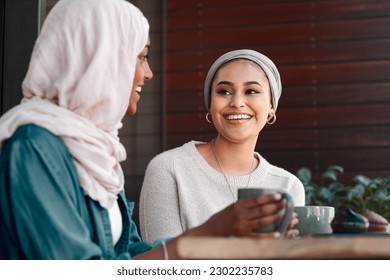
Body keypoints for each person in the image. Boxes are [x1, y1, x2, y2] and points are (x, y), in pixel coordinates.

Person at [0, 0, 296, 260]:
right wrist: (208, 234)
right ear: (101, 60)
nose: (148, 73)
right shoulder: (33, 149)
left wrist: (227, 243)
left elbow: (128, 254)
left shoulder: (95, 153)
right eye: (140, 57)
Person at [139, 49, 305, 244]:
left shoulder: (288, 186)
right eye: (224, 91)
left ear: (271, 107)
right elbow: (163, 265)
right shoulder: (169, 169)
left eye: (251, 91)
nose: (236, 103)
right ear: (210, 104)